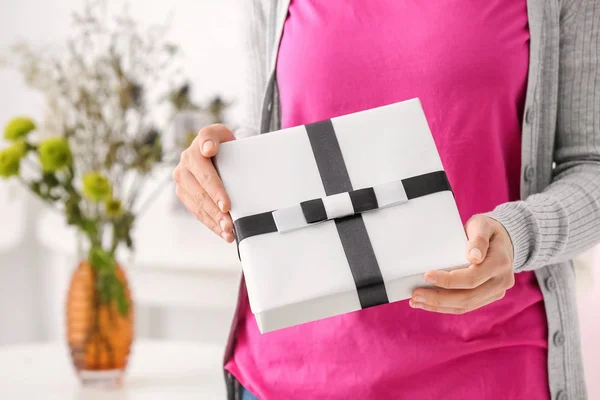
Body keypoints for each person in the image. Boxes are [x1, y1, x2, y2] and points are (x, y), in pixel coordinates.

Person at [172, 1, 600, 399]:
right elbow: (270, 128)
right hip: (289, 373)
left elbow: (591, 163)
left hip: (488, 370)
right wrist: (220, 165)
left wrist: (518, 233)